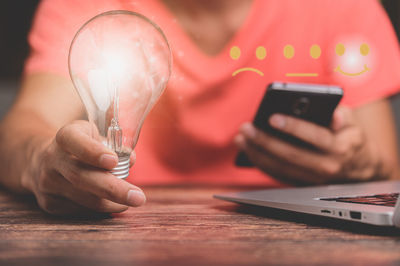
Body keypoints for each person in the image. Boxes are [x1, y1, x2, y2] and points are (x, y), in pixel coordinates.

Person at [0, 0, 399, 215]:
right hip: (121, 229)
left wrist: (359, 168)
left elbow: (389, 172)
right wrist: (41, 162)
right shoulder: (88, 7)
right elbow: (25, 128)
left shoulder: (342, 7)